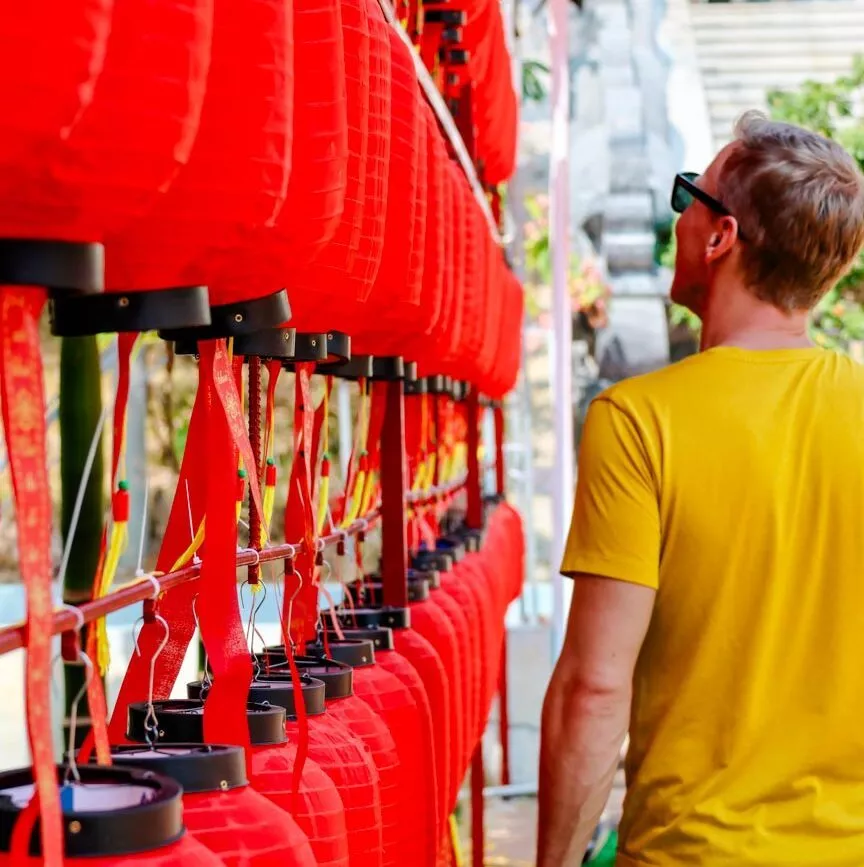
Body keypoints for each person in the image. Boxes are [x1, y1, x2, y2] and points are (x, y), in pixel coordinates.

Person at [536, 111, 864, 867]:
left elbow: (594, 687)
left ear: (720, 237)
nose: (677, 213)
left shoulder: (638, 422)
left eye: (692, 193)